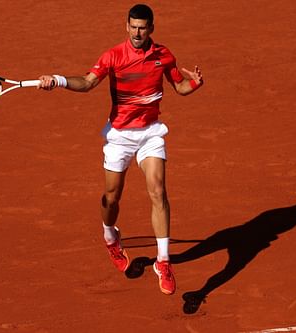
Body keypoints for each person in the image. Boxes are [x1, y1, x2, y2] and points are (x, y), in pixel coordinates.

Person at [37, 4, 203, 295]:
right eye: (133, 26)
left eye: (143, 27)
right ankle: (110, 236)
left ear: (151, 28)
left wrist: (195, 84)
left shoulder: (164, 55)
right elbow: (88, 83)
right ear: (126, 26)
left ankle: (163, 262)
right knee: (111, 198)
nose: (138, 32)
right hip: (120, 136)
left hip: (150, 133)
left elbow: (180, 87)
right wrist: (59, 80)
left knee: (158, 189)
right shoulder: (113, 56)